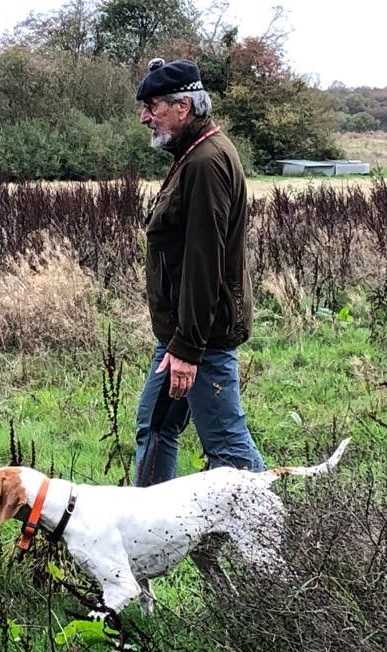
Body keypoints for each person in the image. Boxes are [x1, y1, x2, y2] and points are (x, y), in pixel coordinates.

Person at [132, 57, 265, 487]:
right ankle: (148, 534)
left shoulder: (207, 162)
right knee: (154, 429)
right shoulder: (192, 154)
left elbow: (204, 262)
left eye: (153, 106)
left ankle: (271, 540)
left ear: (183, 107)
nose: (144, 117)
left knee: (227, 446)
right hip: (180, 333)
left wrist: (189, 349)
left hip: (201, 336)